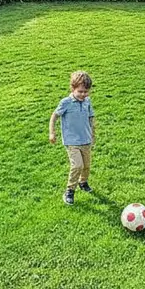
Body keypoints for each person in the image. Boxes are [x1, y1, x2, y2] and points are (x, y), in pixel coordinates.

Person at [49, 71, 95, 205]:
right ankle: (70, 191)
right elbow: (54, 116)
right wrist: (52, 133)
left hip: (86, 140)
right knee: (77, 165)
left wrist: (93, 133)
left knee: (86, 166)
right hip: (72, 141)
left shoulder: (87, 101)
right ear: (73, 88)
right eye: (80, 91)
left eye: (86, 92)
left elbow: (91, 117)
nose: (83, 94)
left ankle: (83, 182)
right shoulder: (66, 102)